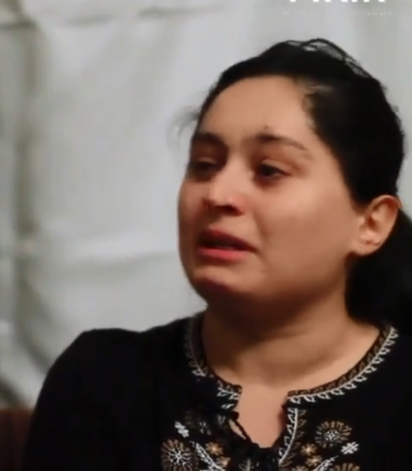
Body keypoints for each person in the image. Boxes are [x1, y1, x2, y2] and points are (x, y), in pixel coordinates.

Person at [21, 38, 412, 470]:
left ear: (371, 224)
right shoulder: (104, 378)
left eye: (269, 170)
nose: (218, 194)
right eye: (205, 165)